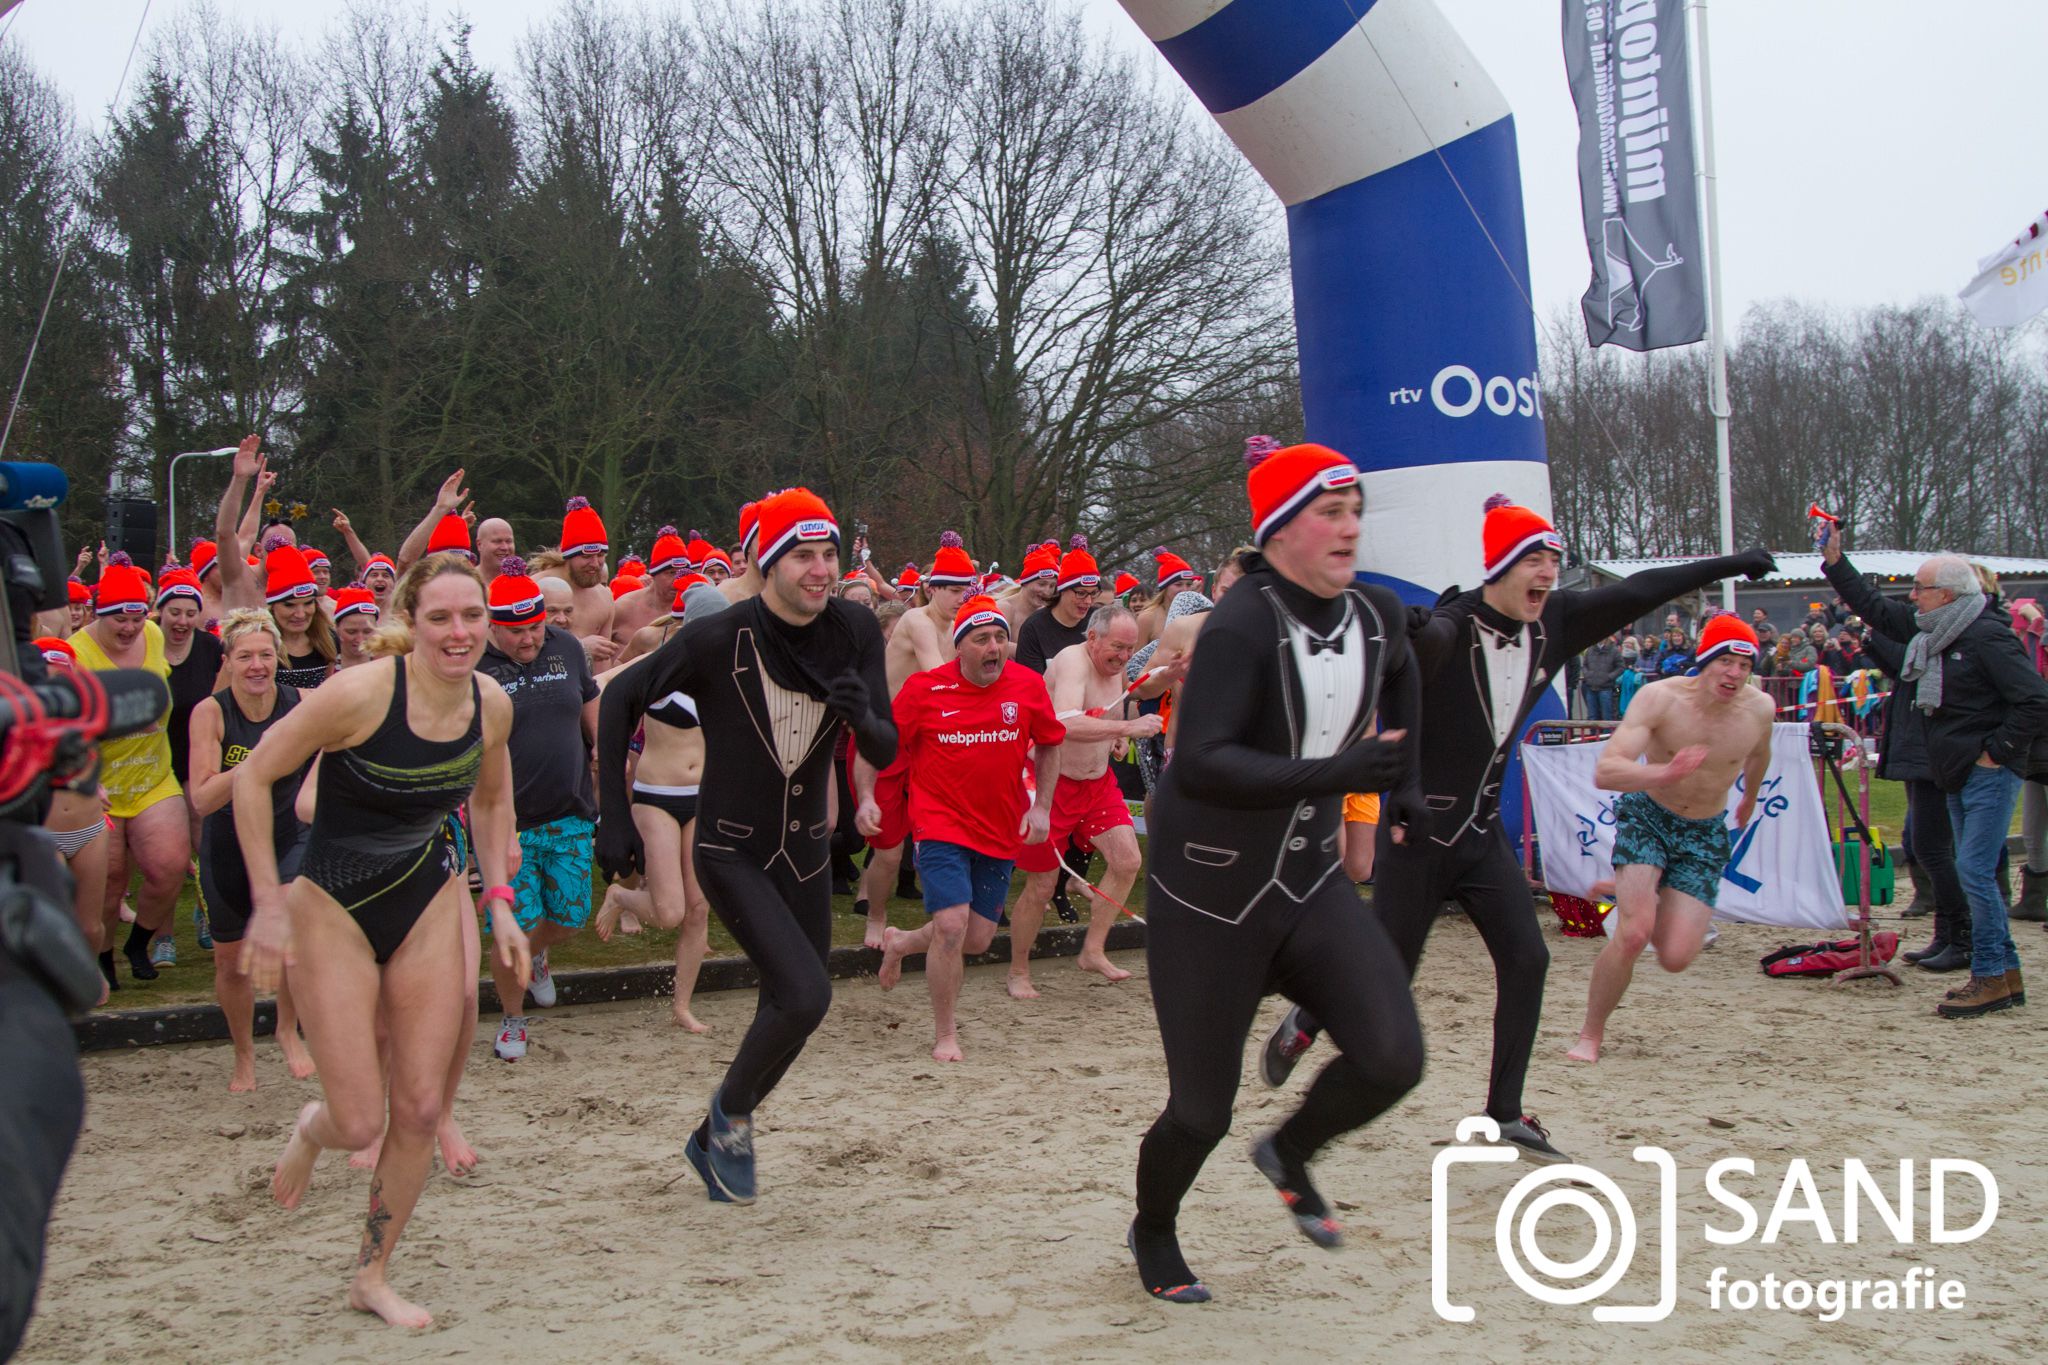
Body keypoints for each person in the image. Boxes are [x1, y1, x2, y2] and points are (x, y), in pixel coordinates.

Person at [1262, 497, 1776, 1161]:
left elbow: (1642, 587)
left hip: (1479, 836)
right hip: (1417, 835)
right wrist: (1406, 779)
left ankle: (1504, 1111)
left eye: (1555, 561)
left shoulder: (1554, 621)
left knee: (1529, 960)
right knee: (1390, 974)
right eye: (1534, 559)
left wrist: (1734, 560)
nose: (1547, 574)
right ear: (1500, 565)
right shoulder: (1450, 626)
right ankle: (1308, 1015)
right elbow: (1393, 690)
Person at [1130, 441, 1426, 1304]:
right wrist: (1342, 775)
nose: (1350, 528)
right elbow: (1205, 765)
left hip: (1306, 882)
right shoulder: (1240, 624)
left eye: (1355, 511)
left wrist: (1402, 784)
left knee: (1393, 1056)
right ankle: (1153, 1227)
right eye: (1329, 512)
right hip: (1209, 895)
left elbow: (1407, 676)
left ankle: (1290, 1150)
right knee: (1200, 1112)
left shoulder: (1377, 614)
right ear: (1279, 529)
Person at [237, 554, 528, 1329]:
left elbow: (495, 800)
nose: (459, 633)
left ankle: (372, 1272)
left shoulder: (492, 705)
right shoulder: (361, 694)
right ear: (410, 619)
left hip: (426, 894)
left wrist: (499, 903)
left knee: (423, 1105)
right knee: (359, 1120)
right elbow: (252, 778)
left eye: (472, 616)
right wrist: (268, 903)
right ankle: (312, 1126)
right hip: (331, 900)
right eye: (440, 617)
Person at [596, 487, 895, 1205]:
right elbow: (617, 700)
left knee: (798, 1003)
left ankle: (720, 1128)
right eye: (802, 556)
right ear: (767, 564)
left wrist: (863, 717)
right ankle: (728, 1117)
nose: (820, 570)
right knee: (806, 991)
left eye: (828, 554)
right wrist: (611, 814)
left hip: (807, 850)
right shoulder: (719, 636)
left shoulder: (855, 627)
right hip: (730, 847)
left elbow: (885, 743)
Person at [1821, 530, 2048, 1017]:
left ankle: (1988, 972)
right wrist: (1837, 562)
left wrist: (1997, 750)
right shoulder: (1934, 631)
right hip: (1954, 770)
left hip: (1986, 770)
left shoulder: (1986, 636)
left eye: (1920, 588)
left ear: (1946, 594)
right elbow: (1876, 609)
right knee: (1971, 868)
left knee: (1973, 870)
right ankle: (2004, 974)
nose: (1912, 596)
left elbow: (2033, 699)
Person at [1565, 617, 1775, 1062]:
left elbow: (1758, 754)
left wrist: (1750, 798)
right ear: (1704, 661)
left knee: (1676, 956)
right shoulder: (1660, 698)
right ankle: (1590, 1034)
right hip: (1649, 815)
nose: (1734, 674)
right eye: (1725, 662)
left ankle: (1640, 887)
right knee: (1634, 934)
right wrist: (1665, 772)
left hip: (1704, 831)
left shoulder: (1760, 709)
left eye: (1744, 665)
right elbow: (1607, 771)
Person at [873, 597, 1063, 1060]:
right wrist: (871, 802)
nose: (994, 646)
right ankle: (945, 1034)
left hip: (999, 827)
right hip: (940, 823)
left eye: (1000, 637)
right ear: (960, 648)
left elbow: (1051, 744)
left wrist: (1041, 808)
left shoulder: (1028, 686)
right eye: (982, 639)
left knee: (975, 939)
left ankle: (900, 943)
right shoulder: (924, 689)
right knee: (952, 926)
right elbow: (883, 748)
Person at [476, 559, 601, 1060]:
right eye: (516, 632)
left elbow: (591, 707)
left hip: (570, 810)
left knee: (571, 918)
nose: (529, 639)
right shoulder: (476, 668)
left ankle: (536, 958)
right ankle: (512, 1020)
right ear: (492, 627)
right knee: (513, 929)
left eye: (535, 627)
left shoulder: (567, 648)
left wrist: (607, 759)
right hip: (509, 824)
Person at [186, 610, 316, 1090]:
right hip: (227, 840)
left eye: (265, 654)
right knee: (230, 960)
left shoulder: (302, 703)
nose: (257, 665)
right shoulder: (211, 712)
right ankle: (244, 1054)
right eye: (245, 656)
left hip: (288, 831)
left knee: (291, 935)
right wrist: (257, 766)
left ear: (277, 656)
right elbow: (201, 797)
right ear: (228, 661)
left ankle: (286, 1029)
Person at [1008, 605, 1160, 993]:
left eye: (1130, 648)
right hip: (1052, 784)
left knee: (1127, 861)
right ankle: (1018, 970)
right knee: (1041, 887)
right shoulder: (1071, 661)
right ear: (1092, 638)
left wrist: (1118, 735)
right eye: (1118, 648)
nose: (1124, 657)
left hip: (1096, 784)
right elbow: (1064, 721)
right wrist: (1128, 726)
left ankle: (1093, 949)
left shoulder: (1116, 664)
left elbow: (1117, 703)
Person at [596, 579, 726, 1031]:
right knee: (669, 911)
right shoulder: (656, 663)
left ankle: (681, 1006)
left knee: (698, 909)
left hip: (703, 798)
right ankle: (622, 894)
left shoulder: (730, 670)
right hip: (656, 798)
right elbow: (600, 688)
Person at [69, 554, 190, 986]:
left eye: (136, 618)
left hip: (153, 776)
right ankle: (100, 958)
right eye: (118, 619)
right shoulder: (77, 653)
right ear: (99, 614)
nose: (128, 629)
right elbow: (64, 725)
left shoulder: (154, 636)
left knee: (169, 865)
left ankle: (138, 943)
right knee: (108, 880)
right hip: (98, 784)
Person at [852, 533, 974, 949]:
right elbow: (942, 680)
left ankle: (951, 914)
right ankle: (877, 915)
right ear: (930, 588)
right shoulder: (917, 620)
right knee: (888, 851)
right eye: (954, 590)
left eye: (966, 590)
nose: (962, 598)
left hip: (924, 742)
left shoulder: (959, 625)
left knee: (939, 834)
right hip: (883, 739)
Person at [1014, 538, 1099, 673]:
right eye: (1081, 593)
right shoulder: (1033, 628)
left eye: (1093, 593)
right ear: (1063, 590)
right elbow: (1031, 686)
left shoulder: (1100, 621)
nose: (1088, 601)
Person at [262, 542, 337, 690]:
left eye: (308, 603)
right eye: (289, 605)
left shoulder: (328, 639)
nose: (300, 614)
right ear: (273, 607)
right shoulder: (257, 642)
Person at [332, 586, 381, 669]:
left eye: (367, 631)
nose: (360, 639)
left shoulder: (385, 665)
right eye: (351, 632)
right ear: (337, 628)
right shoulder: (324, 666)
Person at [1580, 631, 1623, 722]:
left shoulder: (1614, 650)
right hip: (1591, 687)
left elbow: (1621, 667)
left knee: (1607, 716)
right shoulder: (1590, 650)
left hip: (1606, 688)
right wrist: (1588, 675)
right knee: (1592, 717)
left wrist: (1609, 677)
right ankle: (1593, 735)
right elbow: (1584, 665)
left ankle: (1606, 736)